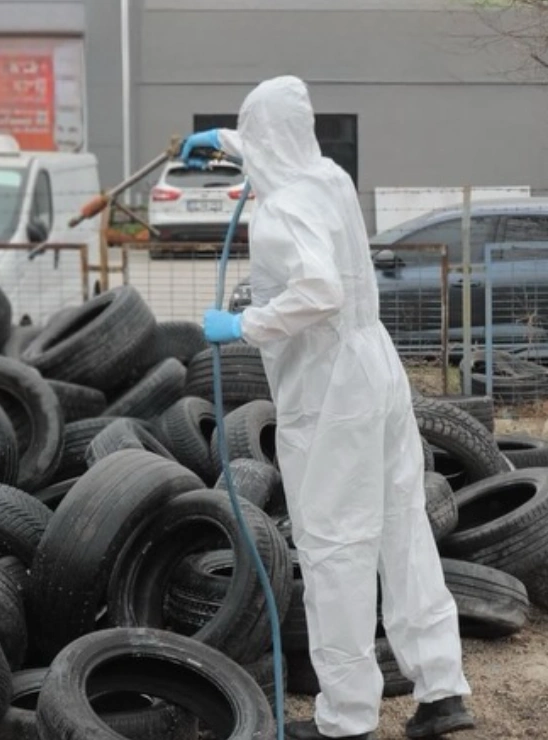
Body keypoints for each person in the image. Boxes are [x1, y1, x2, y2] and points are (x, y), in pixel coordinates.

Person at [185, 75, 475, 740]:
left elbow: (318, 291)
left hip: (329, 387)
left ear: (264, 141)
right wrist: (222, 142)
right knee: (402, 531)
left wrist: (245, 325)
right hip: (378, 369)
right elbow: (274, 149)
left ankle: (346, 719)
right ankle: (441, 691)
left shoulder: (281, 209)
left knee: (334, 549)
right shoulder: (329, 177)